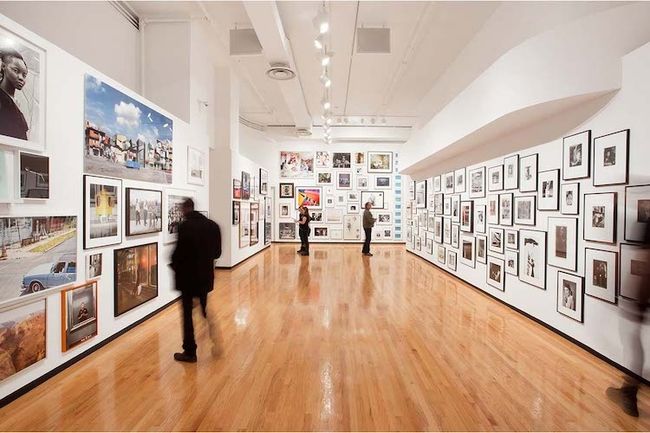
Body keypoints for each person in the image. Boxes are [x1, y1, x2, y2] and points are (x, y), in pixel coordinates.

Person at [171, 198, 222, 363]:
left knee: (187, 315)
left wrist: (174, 264)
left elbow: (178, 254)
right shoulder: (213, 226)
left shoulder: (184, 227)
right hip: (205, 277)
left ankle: (190, 351)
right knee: (205, 309)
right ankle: (216, 337)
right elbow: (217, 253)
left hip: (187, 279)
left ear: (186, 209)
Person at [607, 224, 650, 417]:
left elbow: (645, 259)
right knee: (632, 341)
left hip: (642, 296)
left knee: (631, 340)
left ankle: (629, 391)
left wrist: (638, 301)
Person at [0, 48, 29, 140]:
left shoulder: (16, 104)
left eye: (24, 75)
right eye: (16, 71)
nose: (21, 78)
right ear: (3, 67)